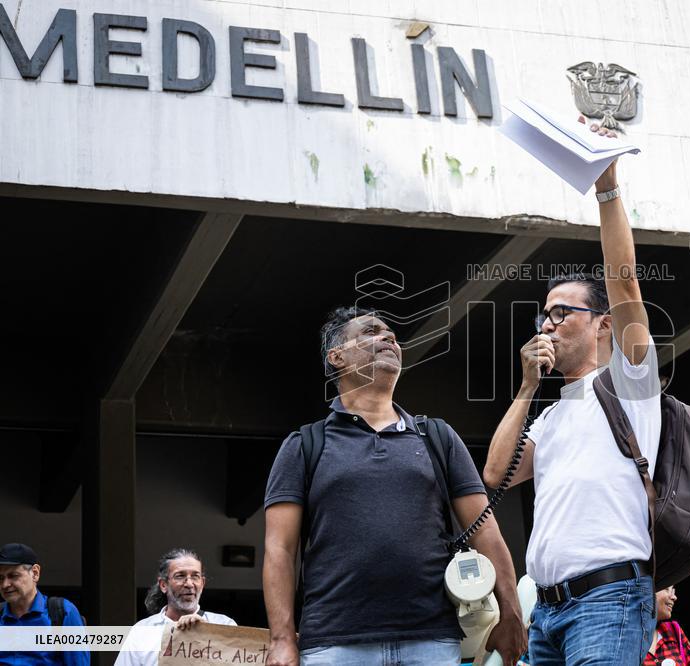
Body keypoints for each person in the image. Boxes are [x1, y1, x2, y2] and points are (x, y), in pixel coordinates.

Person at [484, 121, 661, 664]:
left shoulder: (629, 381)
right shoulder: (553, 414)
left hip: (608, 599)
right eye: (545, 314)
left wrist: (607, 187)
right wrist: (526, 387)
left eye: (563, 312)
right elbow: (496, 475)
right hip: (549, 612)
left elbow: (624, 282)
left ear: (604, 326)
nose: (548, 323)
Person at [263, 307, 526, 666]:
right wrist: (281, 638)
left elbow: (486, 531)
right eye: (371, 332)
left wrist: (510, 613)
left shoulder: (437, 436)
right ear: (336, 356)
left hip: (432, 640)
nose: (388, 338)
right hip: (334, 645)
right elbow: (279, 548)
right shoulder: (305, 444)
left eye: (392, 335)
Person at [115, 548, 235, 666]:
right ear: (163, 585)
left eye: (195, 576)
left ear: (202, 584)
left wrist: (206, 632)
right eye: (180, 576)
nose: (189, 584)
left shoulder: (225, 625)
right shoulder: (141, 631)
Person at [0, 543, 89, 666]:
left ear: (35, 573)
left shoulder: (62, 613)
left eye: (13, 576)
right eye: (0, 578)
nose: (5, 584)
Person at [644, 586, 690, 666]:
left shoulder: (673, 630)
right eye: (667, 589)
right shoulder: (623, 637)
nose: (674, 597)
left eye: (673, 591)